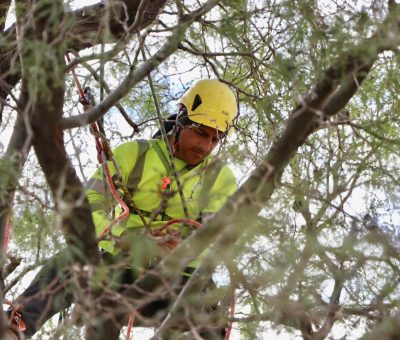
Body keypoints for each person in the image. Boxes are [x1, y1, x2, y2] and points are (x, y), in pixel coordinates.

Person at [5, 79, 238, 339]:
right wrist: (119, 237)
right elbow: (87, 203)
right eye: (200, 132)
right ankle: (16, 326)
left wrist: (173, 247)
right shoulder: (133, 154)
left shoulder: (220, 179)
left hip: (179, 284)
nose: (205, 146)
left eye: (215, 139)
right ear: (181, 120)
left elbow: (215, 235)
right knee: (72, 261)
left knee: (213, 321)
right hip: (120, 271)